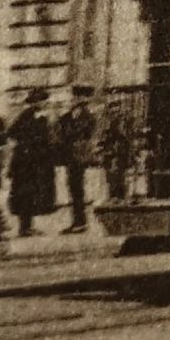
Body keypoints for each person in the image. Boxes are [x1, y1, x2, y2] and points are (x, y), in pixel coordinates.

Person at [7, 88, 57, 237]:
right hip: (26, 162)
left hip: (31, 161)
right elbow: (11, 133)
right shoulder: (29, 116)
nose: (45, 103)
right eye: (42, 100)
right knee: (25, 194)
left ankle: (27, 226)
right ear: (36, 102)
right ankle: (25, 227)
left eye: (45, 101)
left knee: (30, 194)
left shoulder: (36, 116)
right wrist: (27, 144)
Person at [57, 85, 98, 234]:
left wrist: (68, 128)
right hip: (71, 155)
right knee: (73, 188)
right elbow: (61, 130)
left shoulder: (87, 116)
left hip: (79, 156)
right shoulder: (69, 115)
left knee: (77, 189)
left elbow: (79, 133)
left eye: (76, 97)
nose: (72, 99)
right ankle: (77, 221)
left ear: (82, 99)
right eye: (73, 96)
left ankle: (80, 222)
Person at [99, 98, 135, 202]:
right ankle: (114, 196)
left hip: (119, 152)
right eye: (112, 110)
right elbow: (103, 136)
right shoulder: (107, 121)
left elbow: (125, 135)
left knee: (119, 175)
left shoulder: (122, 120)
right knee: (112, 175)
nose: (115, 112)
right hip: (111, 152)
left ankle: (119, 196)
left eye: (116, 110)